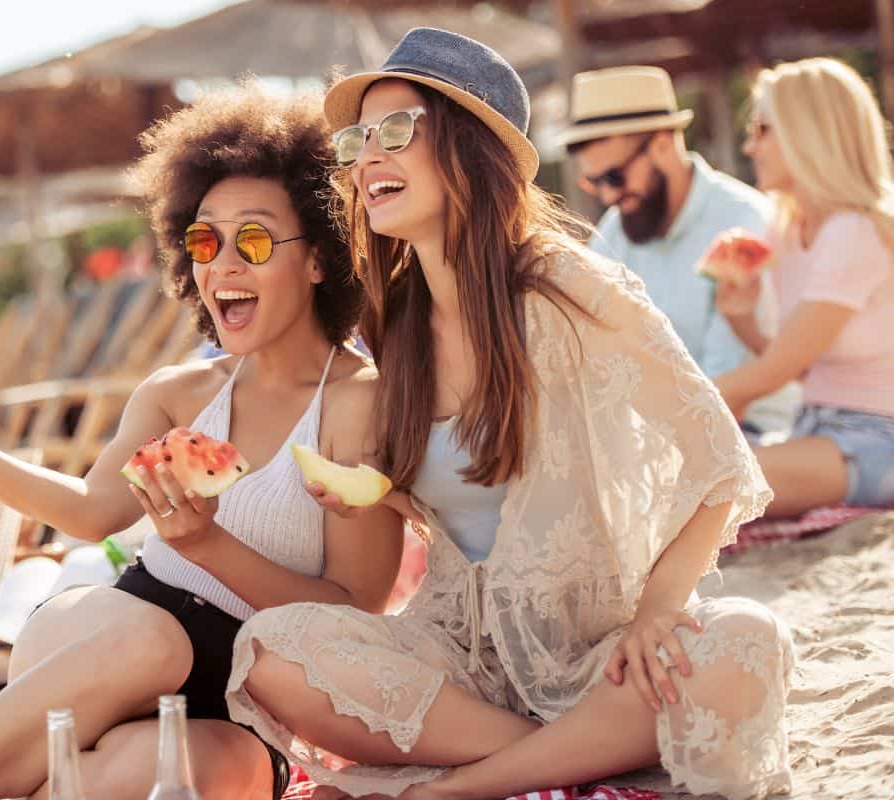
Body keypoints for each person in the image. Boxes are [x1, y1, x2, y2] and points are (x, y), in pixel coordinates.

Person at [225, 28, 794, 800]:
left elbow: (723, 461)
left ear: (470, 147)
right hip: (466, 663)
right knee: (269, 650)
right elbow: (460, 508)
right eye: (356, 140)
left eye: (396, 132)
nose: (366, 159)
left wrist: (658, 611)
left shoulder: (570, 289)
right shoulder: (395, 320)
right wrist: (376, 491)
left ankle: (454, 787)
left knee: (745, 643)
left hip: (600, 652)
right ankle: (566, 756)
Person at [0, 83, 405, 800]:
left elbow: (353, 611)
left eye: (252, 239)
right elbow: (92, 513)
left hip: (241, 699)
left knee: (224, 777)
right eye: (205, 241)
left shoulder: (357, 404)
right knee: (154, 641)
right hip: (107, 634)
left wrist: (209, 546)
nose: (223, 266)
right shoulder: (178, 393)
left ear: (319, 258)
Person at [561, 65, 797, 439]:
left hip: (747, 432)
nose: (608, 197)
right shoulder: (614, 229)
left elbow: (727, 387)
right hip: (648, 434)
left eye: (614, 177)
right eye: (595, 182)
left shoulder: (743, 220)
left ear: (661, 144)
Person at [713, 57, 894, 518]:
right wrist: (743, 322)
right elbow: (801, 366)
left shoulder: (855, 230)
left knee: (709, 480)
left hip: (878, 437)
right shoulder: (788, 229)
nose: (749, 147)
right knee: (704, 476)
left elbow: (771, 372)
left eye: (762, 130)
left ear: (807, 131)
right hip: (814, 429)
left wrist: (663, 406)